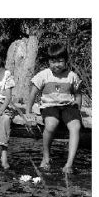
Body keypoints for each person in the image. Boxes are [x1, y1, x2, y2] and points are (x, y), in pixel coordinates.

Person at [25, 43, 82, 174]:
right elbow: (33, 93)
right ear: (48, 61)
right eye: (53, 61)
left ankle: (69, 164)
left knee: (76, 126)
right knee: (51, 124)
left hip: (68, 106)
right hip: (49, 106)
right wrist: (28, 112)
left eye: (60, 61)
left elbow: (78, 94)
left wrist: (78, 111)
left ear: (66, 61)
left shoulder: (72, 76)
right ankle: (46, 157)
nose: (57, 65)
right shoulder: (43, 75)